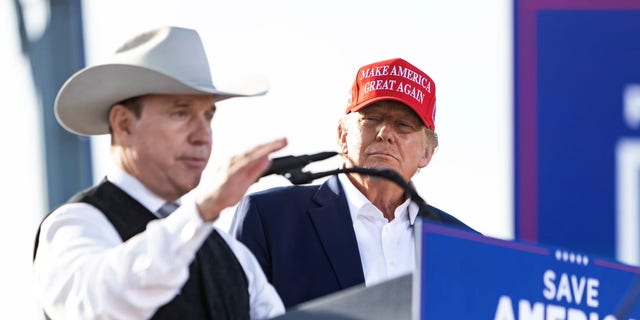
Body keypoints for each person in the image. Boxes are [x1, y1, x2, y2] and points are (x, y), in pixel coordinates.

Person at [32, 26, 287, 319]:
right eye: (180, 113)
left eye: (207, 116)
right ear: (124, 123)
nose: (203, 135)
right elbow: (100, 306)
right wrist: (202, 211)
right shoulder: (76, 224)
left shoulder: (231, 251)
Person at [229, 57, 479, 309]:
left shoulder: (466, 245)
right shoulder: (271, 218)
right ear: (343, 135)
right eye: (371, 119)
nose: (385, 133)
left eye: (403, 125)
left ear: (427, 153)